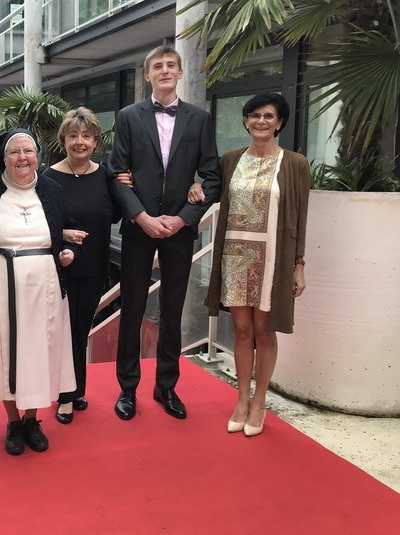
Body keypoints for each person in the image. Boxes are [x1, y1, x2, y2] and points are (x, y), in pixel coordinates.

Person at [106, 45, 221, 422]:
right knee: (132, 308)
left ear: (181, 72)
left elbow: (212, 177)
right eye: (158, 66)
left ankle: (166, 386)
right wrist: (141, 216)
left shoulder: (200, 119)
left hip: (179, 230)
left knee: (172, 308)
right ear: (147, 75)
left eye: (171, 65)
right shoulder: (128, 116)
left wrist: (184, 218)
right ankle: (127, 388)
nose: (165, 70)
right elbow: (116, 172)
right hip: (138, 228)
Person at [0, 128, 77, 456]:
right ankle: (13, 421)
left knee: (38, 352)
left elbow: (65, 231)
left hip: (44, 287)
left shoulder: (53, 190)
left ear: (38, 155)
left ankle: (32, 419)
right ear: (3, 157)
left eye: (28, 151)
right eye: (14, 152)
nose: (22, 158)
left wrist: (69, 251)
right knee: (5, 353)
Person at [203, 92, 309, 437]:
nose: (261, 121)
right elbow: (210, 191)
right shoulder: (230, 160)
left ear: (279, 123)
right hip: (235, 256)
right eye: (254, 115)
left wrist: (298, 265)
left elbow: (300, 217)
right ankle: (241, 400)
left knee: (264, 330)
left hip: (273, 259)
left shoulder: (294, 163)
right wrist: (193, 188)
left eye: (269, 116)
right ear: (246, 121)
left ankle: (259, 401)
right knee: (242, 330)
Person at [42, 107, 124, 424]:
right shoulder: (48, 178)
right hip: (58, 267)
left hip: (94, 266)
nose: (80, 142)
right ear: (63, 140)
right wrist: (62, 233)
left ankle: (75, 389)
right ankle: (66, 396)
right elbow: (38, 222)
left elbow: (117, 214)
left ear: (95, 141)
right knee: (64, 331)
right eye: (73, 135)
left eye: (87, 136)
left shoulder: (105, 176)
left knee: (80, 329)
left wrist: (127, 183)